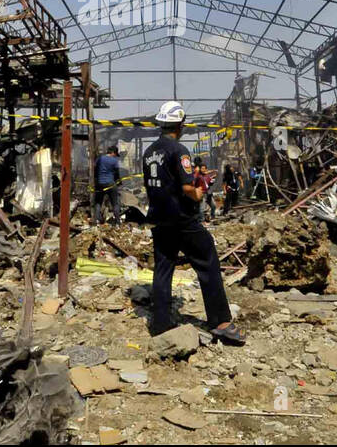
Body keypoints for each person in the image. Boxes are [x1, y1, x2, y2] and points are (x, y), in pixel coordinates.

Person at [142, 101, 245, 345]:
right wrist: (200, 191)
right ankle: (220, 321)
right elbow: (188, 188)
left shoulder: (148, 153)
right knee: (208, 261)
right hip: (182, 219)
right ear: (179, 125)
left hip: (159, 218)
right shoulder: (179, 151)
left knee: (163, 268)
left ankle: (160, 323)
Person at [93, 145, 121, 224]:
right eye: (115, 154)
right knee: (115, 203)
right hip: (110, 184)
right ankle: (118, 222)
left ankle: (97, 221)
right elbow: (117, 174)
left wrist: (96, 180)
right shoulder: (114, 161)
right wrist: (119, 182)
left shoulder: (100, 158)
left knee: (98, 202)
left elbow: (95, 169)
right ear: (113, 153)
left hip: (100, 184)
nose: (116, 156)